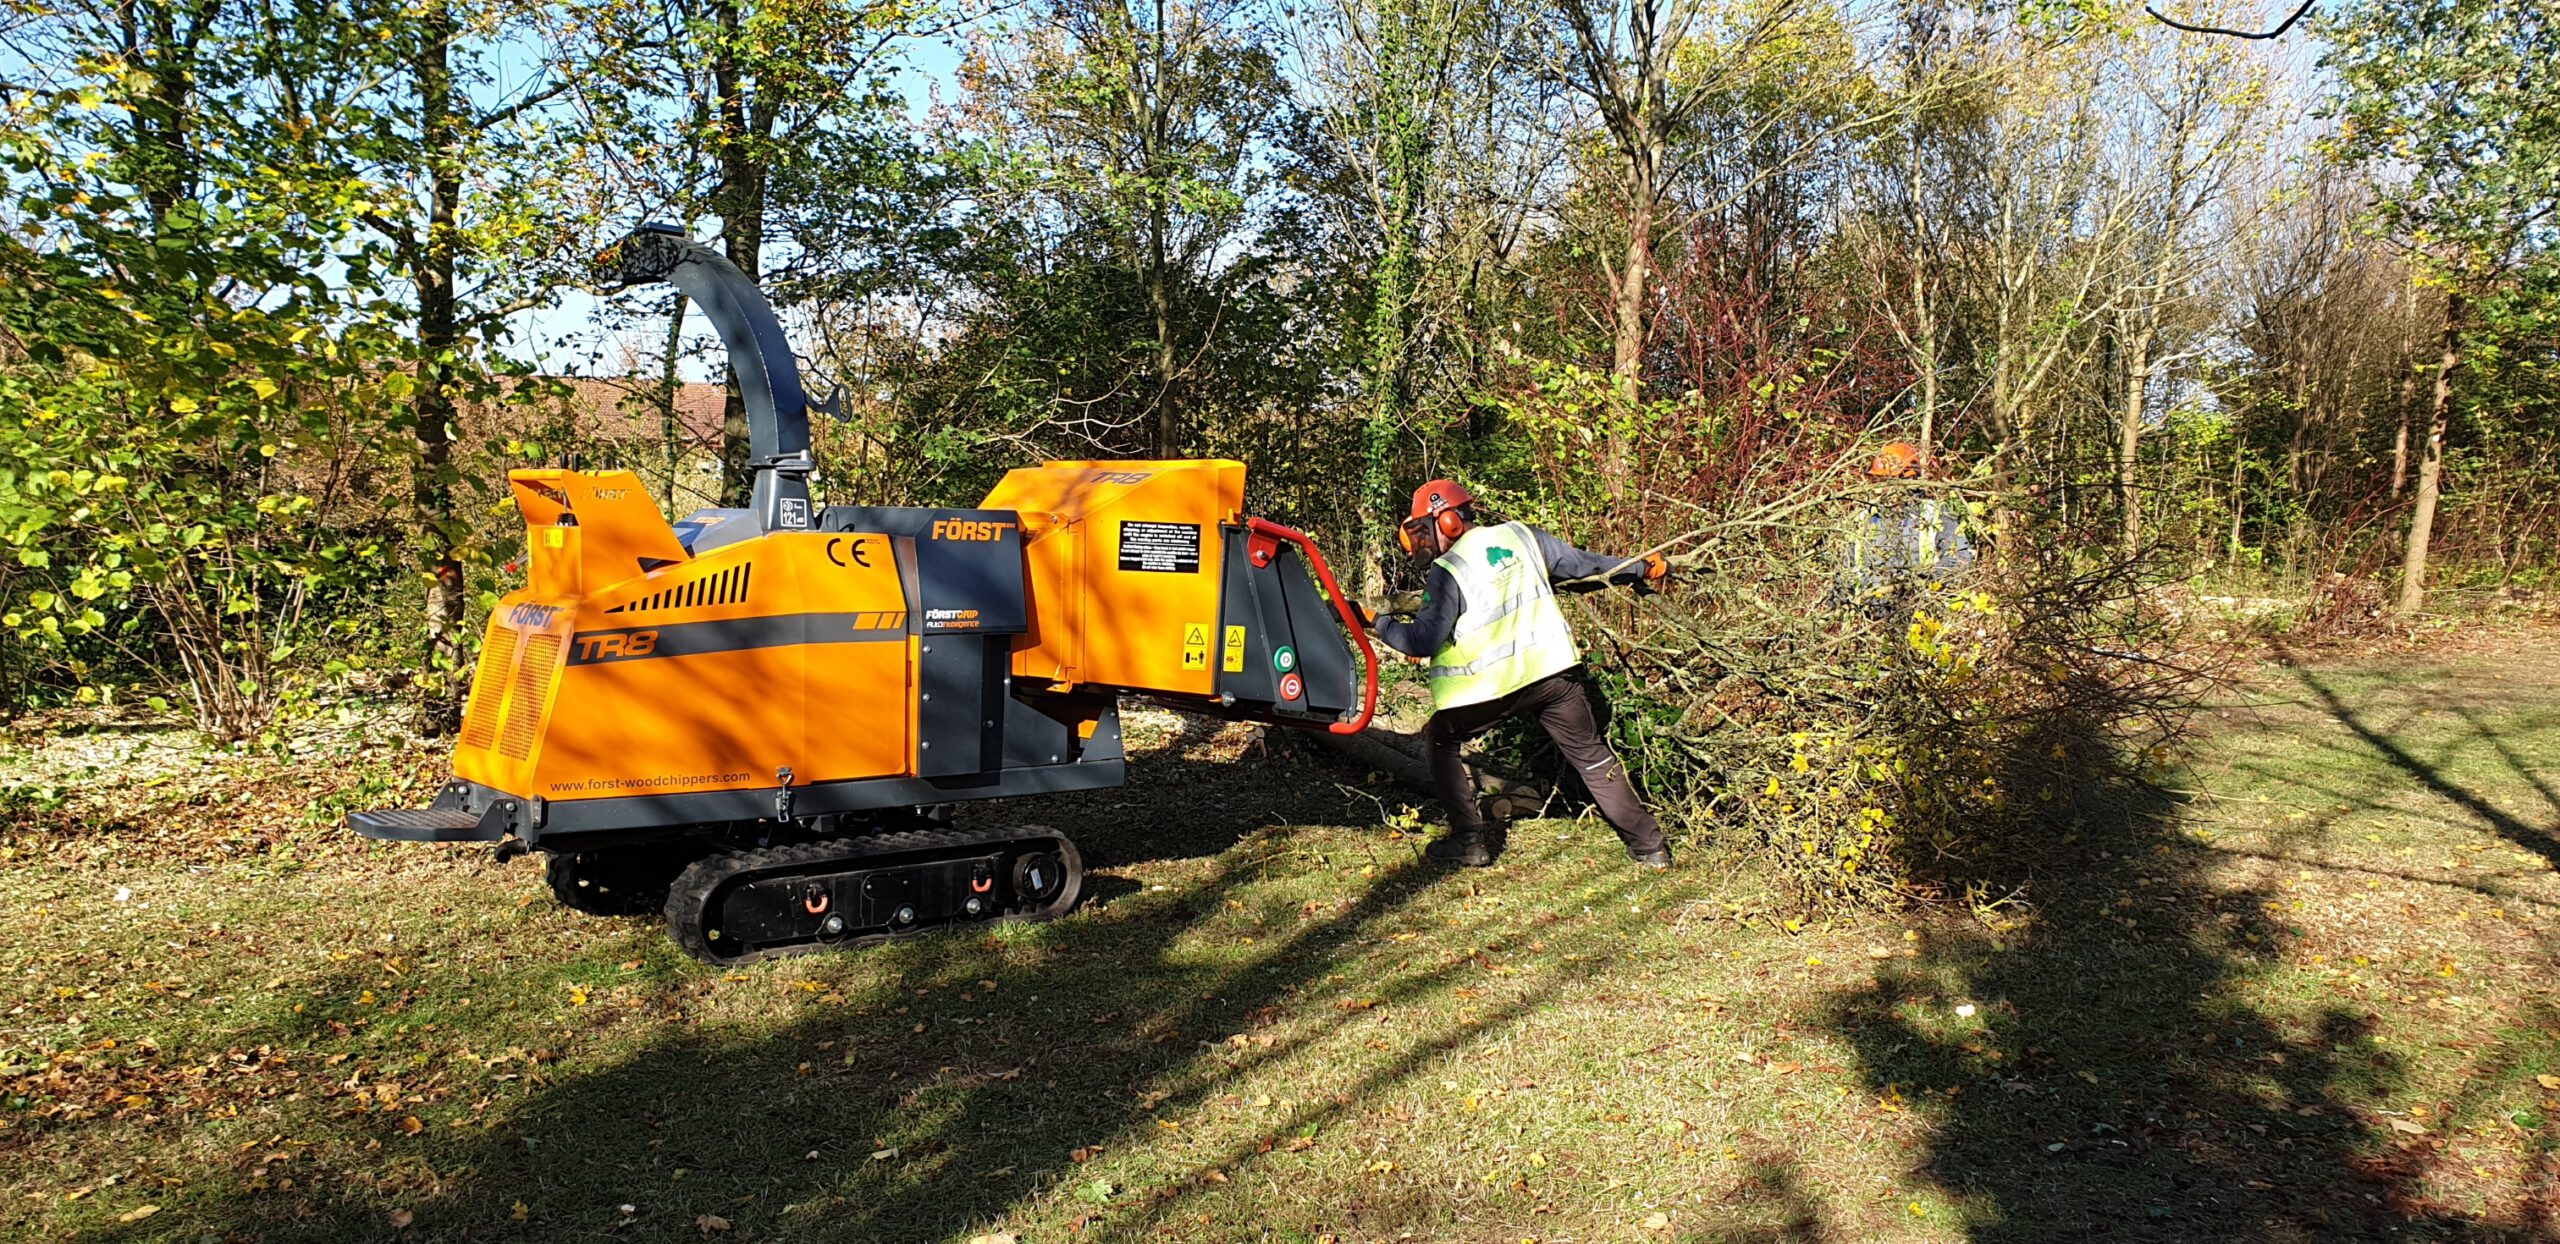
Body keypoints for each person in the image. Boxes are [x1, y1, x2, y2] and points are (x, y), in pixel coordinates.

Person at [1366, 479, 1674, 870]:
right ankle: (1651, 848)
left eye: (1425, 529)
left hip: (1489, 688)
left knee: (1441, 741)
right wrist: (1643, 568)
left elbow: (1422, 640)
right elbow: (1586, 565)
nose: (1424, 541)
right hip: (1553, 675)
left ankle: (1470, 841)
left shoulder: (1449, 568)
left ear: (1447, 523)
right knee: (1593, 757)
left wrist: (1379, 623)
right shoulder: (1522, 536)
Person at [1838, 441, 1973, 621]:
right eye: (1878, 480)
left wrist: (1926, 581)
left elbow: (1960, 557)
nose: (1878, 488)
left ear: (1907, 478)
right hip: (1869, 623)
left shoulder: (1934, 513)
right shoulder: (1864, 519)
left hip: (1920, 618)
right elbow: (1844, 569)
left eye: (1886, 480)